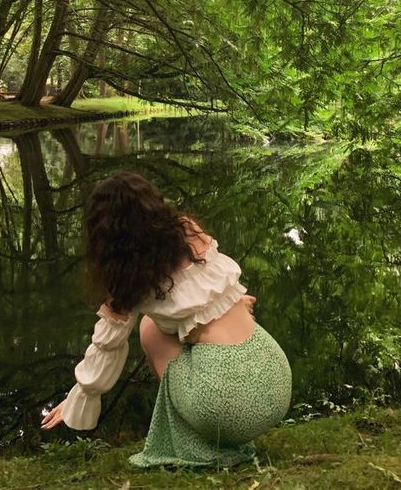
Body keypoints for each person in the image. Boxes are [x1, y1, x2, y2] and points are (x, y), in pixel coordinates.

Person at [40, 170, 292, 468]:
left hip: (225, 409)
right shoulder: (190, 232)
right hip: (276, 382)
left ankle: (194, 440)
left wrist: (80, 396)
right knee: (174, 328)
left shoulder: (127, 281)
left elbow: (106, 350)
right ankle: (212, 424)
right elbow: (215, 291)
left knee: (150, 329)